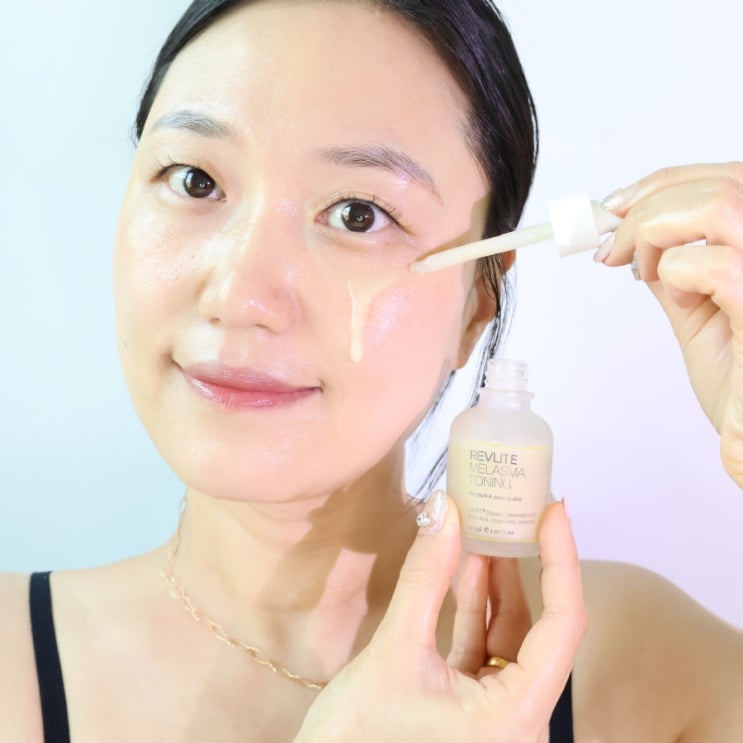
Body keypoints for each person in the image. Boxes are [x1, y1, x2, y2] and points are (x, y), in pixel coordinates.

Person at [1, 1, 741, 741]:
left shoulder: (646, 677)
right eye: (194, 180)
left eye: (358, 214)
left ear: (476, 303)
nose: (238, 296)